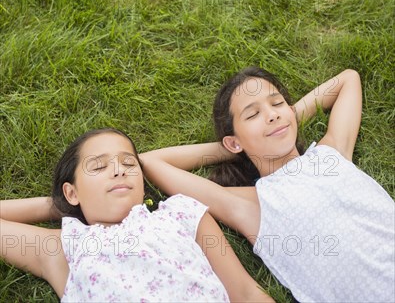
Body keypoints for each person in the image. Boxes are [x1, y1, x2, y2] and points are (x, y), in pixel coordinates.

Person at [141, 68, 395, 303]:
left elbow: (348, 79)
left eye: (277, 103)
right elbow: (151, 162)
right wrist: (236, 148)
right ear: (232, 142)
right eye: (253, 114)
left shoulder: (332, 153)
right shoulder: (252, 205)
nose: (271, 114)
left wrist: (285, 119)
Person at [0, 127, 274, 302]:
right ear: (72, 192)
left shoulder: (181, 214)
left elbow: (246, 293)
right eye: (98, 167)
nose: (119, 170)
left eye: (128, 163)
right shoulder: (66, 248)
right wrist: (62, 203)